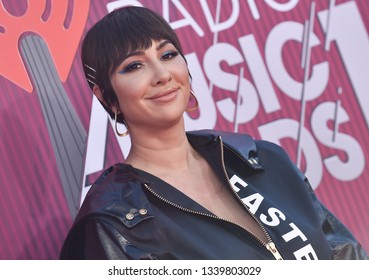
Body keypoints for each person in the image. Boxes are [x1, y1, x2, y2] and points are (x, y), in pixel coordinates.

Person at [60, 6, 368, 260]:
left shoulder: (263, 160)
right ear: (106, 97)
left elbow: (344, 254)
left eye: (167, 55)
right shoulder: (113, 225)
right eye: (134, 66)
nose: (162, 75)